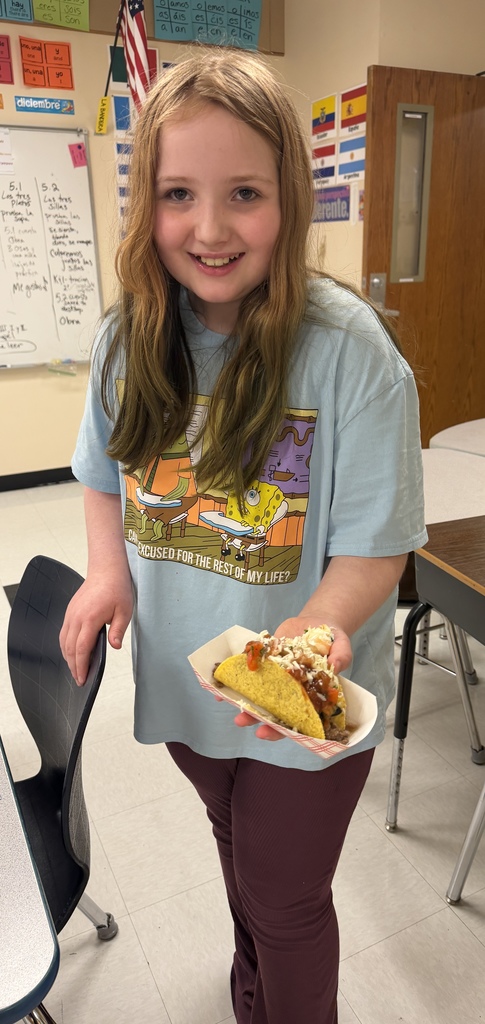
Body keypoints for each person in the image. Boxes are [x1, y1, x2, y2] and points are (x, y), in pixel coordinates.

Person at [60, 47, 427, 1024]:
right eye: (179, 192)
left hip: (303, 691)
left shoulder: (351, 357)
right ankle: (251, 990)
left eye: (244, 194)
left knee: (285, 896)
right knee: (238, 850)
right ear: (148, 206)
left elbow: (373, 550)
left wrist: (314, 630)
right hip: (189, 677)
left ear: (288, 201)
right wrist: (107, 575)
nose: (209, 228)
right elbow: (104, 478)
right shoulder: (126, 339)